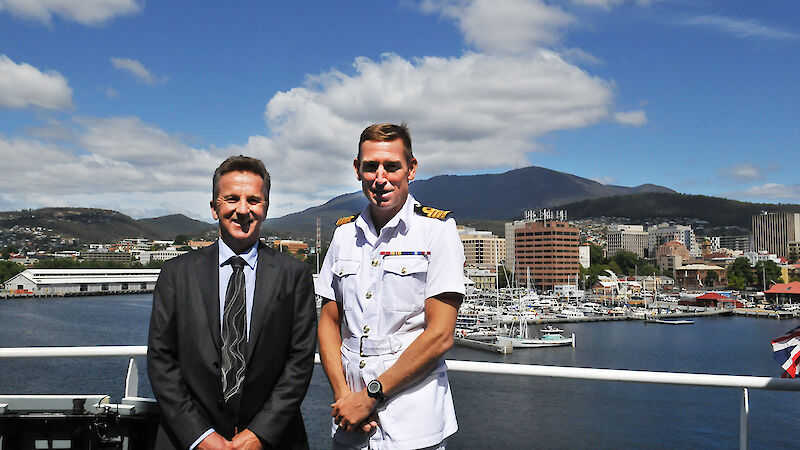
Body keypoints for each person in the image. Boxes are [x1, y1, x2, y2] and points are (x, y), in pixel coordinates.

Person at [148, 155, 317, 449]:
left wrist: (259, 434)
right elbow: (162, 360)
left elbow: (299, 361)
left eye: (253, 200)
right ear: (214, 208)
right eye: (231, 199)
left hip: (272, 441)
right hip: (188, 442)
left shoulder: (294, 275)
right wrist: (201, 437)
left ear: (265, 207)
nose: (242, 210)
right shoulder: (176, 274)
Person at [316, 123, 465, 449]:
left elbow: (440, 335)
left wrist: (370, 396)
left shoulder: (437, 231)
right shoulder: (343, 235)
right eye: (370, 166)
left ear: (411, 169)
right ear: (357, 170)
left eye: (391, 166)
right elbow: (328, 322)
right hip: (349, 424)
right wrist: (345, 397)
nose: (380, 177)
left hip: (412, 426)